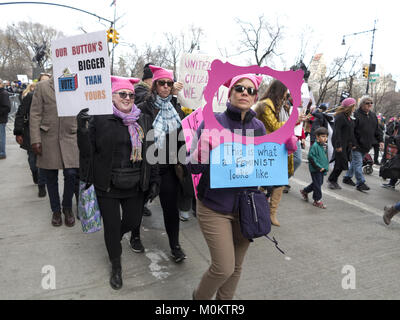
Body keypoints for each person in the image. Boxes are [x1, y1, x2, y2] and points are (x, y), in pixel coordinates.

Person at [77, 76, 160, 290]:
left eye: (131, 95)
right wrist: (82, 128)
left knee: (133, 222)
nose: (127, 98)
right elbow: (87, 152)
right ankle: (116, 264)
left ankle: (115, 239)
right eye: (122, 94)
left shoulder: (143, 119)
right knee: (112, 228)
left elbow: (152, 153)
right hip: (108, 185)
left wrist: (153, 180)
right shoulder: (100, 118)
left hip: (135, 185)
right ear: (112, 96)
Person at [189, 73, 266, 300]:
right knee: (223, 267)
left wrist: (283, 152)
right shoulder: (212, 121)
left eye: (250, 90)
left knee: (236, 267)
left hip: (247, 207)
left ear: (255, 97)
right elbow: (192, 168)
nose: (245, 93)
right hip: (214, 206)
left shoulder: (259, 127)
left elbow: (263, 167)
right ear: (230, 93)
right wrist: (202, 150)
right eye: (239, 88)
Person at [137, 65, 187, 263]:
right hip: (147, 165)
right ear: (155, 85)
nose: (166, 87)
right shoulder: (143, 108)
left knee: (170, 208)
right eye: (162, 83)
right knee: (138, 205)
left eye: (169, 83)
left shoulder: (176, 109)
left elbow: (182, 137)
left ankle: (175, 245)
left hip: (168, 166)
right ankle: (135, 236)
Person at [29, 76, 78, 227]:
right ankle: (56, 211)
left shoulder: (76, 83)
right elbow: (35, 114)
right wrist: (35, 139)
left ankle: (67, 207)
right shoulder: (42, 86)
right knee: (50, 176)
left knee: (71, 174)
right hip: (48, 137)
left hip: (71, 135)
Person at [254, 79, 303, 226]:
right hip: (266, 147)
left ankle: (271, 212)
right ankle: (262, 207)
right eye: (285, 92)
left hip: (275, 146)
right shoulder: (265, 105)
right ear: (279, 91)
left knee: (280, 180)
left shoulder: (277, 105)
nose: (286, 95)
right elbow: (275, 126)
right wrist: (293, 121)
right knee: (269, 179)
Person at [14, 74, 51, 197]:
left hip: (46, 133)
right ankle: (34, 173)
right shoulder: (30, 96)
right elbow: (20, 114)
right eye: (43, 81)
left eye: (48, 81)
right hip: (30, 132)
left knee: (43, 161)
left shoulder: (53, 96)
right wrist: (18, 132)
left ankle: (42, 185)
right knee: (32, 160)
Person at [342, 96, 383, 192]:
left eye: (371, 103)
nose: (369, 105)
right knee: (358, 163)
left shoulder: (373, 116)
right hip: (356, 145)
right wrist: (353, 143)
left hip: (367, 145)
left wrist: (380, 141)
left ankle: (347, 177)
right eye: (367, 103)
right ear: (362, 104)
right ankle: (360, 182)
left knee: (355, 163)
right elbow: (351, 131)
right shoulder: (355, 115)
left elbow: (377, 130)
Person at [327, 98, 356, 189]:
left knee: (341, 164)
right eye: (354, 106)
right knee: (340, 163)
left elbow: (350, 132)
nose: (355, 108)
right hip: (340, 143)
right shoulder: (340, 116)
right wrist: (338, 145)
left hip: (346, 144)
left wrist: (353, 143)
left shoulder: (348, 118)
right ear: (350, 107)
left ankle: (333, 180)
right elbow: (337, 132)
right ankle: (332, 180)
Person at [300, 127, 329, 209]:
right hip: (316, 169)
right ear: (317, 137)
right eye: (323, 136)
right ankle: (317, 200)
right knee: (317, 184)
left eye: (326, 136)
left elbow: (324, 157)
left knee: (318, 183)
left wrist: (325, 167)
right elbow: (311, 157)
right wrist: (318, 167)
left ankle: (305, 191)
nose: (325, 138)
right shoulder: (315, 146)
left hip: (321, 168)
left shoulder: (324, 146)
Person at [0, 79, 11, 160]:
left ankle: (2, 153)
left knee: (1, 137)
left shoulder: (3, 93)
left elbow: (7, 107)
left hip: (1, 119)